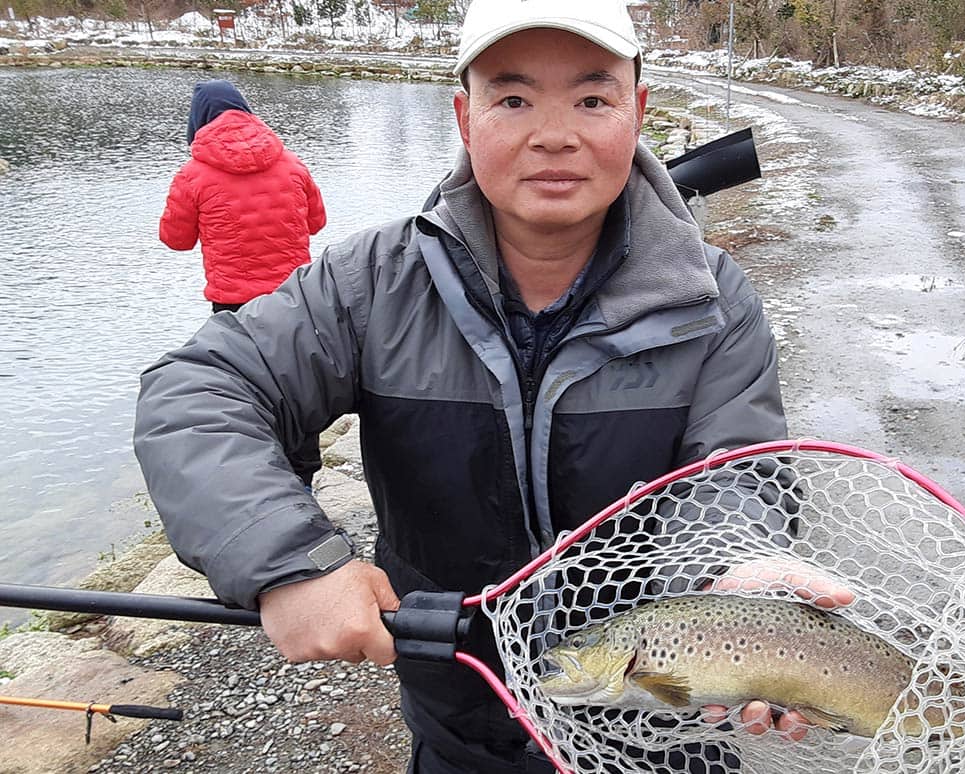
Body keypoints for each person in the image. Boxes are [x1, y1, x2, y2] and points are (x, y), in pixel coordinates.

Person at [134, 2, 848, 771]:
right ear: (464, 117)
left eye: (592, 98)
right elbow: (198, 390)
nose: (554, 135)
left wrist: (727, 572)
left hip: (667, 728)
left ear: (637, 111)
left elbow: (737, 475)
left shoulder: (715, 301)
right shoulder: (371, 283)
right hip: (458, 725)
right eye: (512, 98)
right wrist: (289, 560)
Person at [158, 79, 327, 314]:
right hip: (293, 294)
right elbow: (316, 223)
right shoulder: (292, 164)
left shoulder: (192, 175)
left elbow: (177, 240)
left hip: (233, 303)